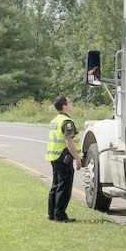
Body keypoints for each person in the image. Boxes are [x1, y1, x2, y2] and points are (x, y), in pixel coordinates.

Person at [46, 94, 82, 222]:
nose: (72, 104)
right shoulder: (67, 122)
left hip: (54, 156)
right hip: (63, 156)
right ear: (64, 106)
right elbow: (69, 142)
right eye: (70, 102)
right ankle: (60, 215)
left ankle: (52, 214)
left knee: (56, 185)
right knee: (64, 187)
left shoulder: (55, 120)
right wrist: (77, 158)